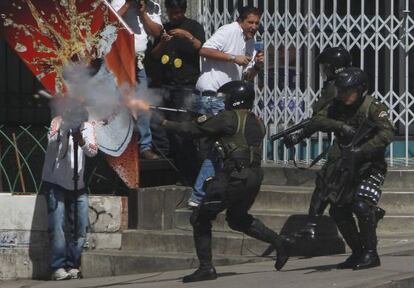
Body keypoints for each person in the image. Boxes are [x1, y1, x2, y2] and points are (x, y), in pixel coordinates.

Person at [154, 80, 291, 282]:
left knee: (199, 218)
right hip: (253, 176)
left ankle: (206, 268)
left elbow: (193, 130)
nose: (223, 102)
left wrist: (164, 123)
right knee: (237, 218)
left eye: (226, 99)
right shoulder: (256, 120)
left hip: (233, 176)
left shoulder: (227, 117)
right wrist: (207, 121)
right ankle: (279, 242)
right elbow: (225, 133)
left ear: (235, 100)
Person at [289, 67, 394, 269]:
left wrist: (363, 150)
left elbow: (388, 133)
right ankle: (358, 252)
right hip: (345, 166)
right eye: (342, 90)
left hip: (370, 166)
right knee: (338, 210)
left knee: (361, 205)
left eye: (349, 90)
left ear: (361, 89)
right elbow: (318, 119)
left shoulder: (372, 107)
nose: (344, 95)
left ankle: (371, 253)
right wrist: (340, 126)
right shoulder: (338, 105)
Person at [283, 48, 385, 240]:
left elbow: (320, 118)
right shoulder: (341, 82)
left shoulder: (337, 86)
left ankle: (312, 224)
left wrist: (300, 136)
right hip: (345, 143)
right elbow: (321, 118)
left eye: (326, 67)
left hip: (350, 147)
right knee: (336, 184)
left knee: (328, 181)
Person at [188, 5, 264, 207]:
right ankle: (198, 196)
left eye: (257, 23)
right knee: (223, 147)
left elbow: (245, 75)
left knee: (221, 148)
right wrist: (233, 57)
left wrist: (256, 66)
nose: (254, 26)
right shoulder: (229, 31)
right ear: (241, 21)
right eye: (250, 22)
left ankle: (211, 193)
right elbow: (203, 50)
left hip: (224, 99)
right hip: (211, 96)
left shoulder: (250, 41)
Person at [151, 0, 206, 185]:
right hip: (166, 84)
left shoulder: (194, 27)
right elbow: (155, 55)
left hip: (186, 85)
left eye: (179, 12)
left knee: (185, 131)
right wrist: (163, 43)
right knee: (166, 131)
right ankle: (174, 172)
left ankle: (191, 175)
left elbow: (201, 47)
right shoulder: (163, 29)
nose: (176, 15)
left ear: (183, 10)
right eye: (172, 12)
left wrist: (186, 36)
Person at [42, 113, 98, 280]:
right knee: (57, 226)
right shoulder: (57, 122)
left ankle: (73, 265)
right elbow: (51, 144)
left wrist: (79, 138)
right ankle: (58, 267)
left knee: (80, 227)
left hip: (77, 185)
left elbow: (92, 152)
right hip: (55, 181)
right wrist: (64, 130)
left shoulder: (88, 127)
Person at [111, 0, 163, 160]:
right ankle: (120, 145)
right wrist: (127, 6)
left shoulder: (152, 6)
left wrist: (142, 12)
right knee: (119, 104)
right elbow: (108, 22)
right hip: (119, 59)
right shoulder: (119, 2)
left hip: (139, 61)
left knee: (142, 104)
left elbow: (157, 32)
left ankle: (144, 145)